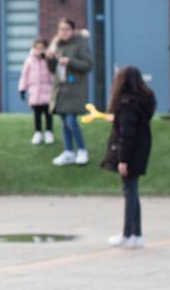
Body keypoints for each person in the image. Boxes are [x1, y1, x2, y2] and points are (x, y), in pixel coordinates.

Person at [101, 65, 155, 249]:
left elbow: (126, 133)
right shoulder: (144, 101)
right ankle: (136, 234)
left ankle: (128, 233)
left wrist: (122, 159)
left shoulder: (126, 104)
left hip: (130, 152)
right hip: (141, 148)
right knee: (133, 191)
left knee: (129, 192)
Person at [48, 18, 94, 166]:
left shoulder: (81, 43)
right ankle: (68, 152)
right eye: (61, 29)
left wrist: (70, 61)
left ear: (73, 30)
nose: (64, 32)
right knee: (63, 121)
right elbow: (53, 69)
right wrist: (49, 59)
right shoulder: (58, 46)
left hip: (75, 89)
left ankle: (82, 150)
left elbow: (88, 65)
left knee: (71, 121)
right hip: (61, 89)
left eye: (67, 29)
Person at [19, 38, 55, 145]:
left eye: (42, 48)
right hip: (35, 92)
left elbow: (54, 74)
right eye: (37, 48)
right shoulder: (29, 60)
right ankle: (38, 132)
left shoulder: (50, 59)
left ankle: (49, 132)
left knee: (48, 114)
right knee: (37, 114)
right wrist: (22, 89)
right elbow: (24, 76)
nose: (39, 51)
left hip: (48, 91)